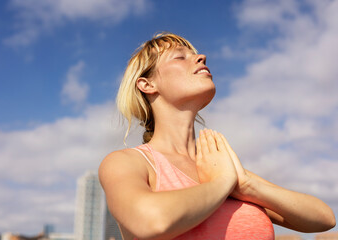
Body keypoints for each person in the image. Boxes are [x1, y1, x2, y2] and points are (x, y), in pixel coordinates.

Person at [99, 32, 336, 240]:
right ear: (147, 84)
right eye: (180, 57)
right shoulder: (128, 163)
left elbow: (324, 218)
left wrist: (248, 185)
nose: (201, 58)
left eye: (196, 54)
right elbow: (152, 222)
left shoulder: (223, 167)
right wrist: (222, 182)